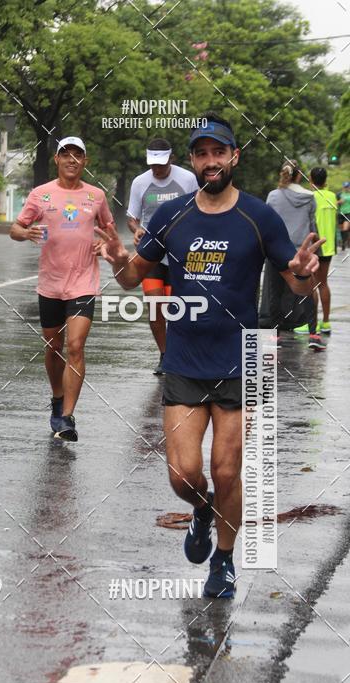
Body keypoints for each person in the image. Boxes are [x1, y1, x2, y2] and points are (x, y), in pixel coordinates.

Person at [96, 113, 323, 599]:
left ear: (234, 156)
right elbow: (134, 279)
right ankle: (202, 509)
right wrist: (118, 262)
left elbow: (294, 280)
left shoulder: (259, 216)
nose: (211, 161)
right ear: (193, 161)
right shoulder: (172, 215)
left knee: (226, 469)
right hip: (184, 357)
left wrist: (305, 273)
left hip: (244, 356)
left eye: (219, 152)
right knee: (183, 475)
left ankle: (223, 559)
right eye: (202, 153)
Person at [9, 136, 113, 442]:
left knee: (76, 346)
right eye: (65, 154)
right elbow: (15, 228)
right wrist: (24, 232)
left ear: (85, 161)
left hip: (83, 282)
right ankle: (57, 399)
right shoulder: (41, 195)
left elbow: (109, 230)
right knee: (53, 348)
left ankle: (67, 417)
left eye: (78, 155)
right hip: (51, 283)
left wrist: (104, 242)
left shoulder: (96, 196)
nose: (71, 160)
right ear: (57, 160)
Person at [126, 137, 197, 375]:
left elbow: (200, 210)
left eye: (161, 163)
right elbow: (132, 217)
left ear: (172, 158)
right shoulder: (139, 183)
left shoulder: (187, 179)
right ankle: (165, 355)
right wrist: (136, 230)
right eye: (152, 164)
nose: (156, 168)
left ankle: (180, 353)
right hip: (151, 253)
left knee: (176, 310)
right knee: (156, 308)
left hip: (180, 254)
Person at [263, 161, 324, 349]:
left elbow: (266, 223)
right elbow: (312, 225)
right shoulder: (309, 197)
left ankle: (276, 336)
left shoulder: (273, 196)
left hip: (277, 251)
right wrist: (317, 250)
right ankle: (314, 335)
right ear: (299, 176)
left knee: (276, 293)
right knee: (307, 291)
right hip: (302, 252)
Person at [309, 166, 336, 334]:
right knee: (323, 283)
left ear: (311, 180)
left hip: (315, 246)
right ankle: (326, 323)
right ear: (325, 181)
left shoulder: (309, 197)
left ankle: (311, 324)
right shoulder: (332, 196)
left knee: (311, 285)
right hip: (329, 247)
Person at [338, 181, 350, 251]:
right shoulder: (340, 194)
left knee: (345, 228)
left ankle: (344, 243)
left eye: (347, 187)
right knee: (342, 229)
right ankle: (343, 241)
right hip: (341, 213)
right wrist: (340, 202)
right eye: (345, 187)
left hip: (348, 213)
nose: (346, 188)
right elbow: (335, 202)